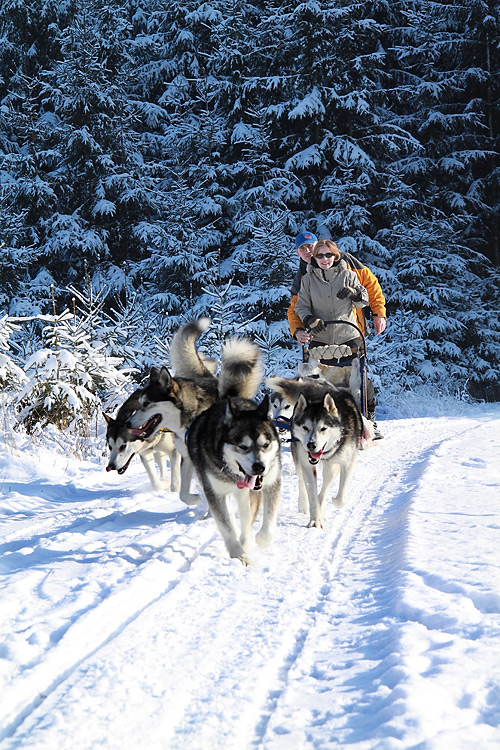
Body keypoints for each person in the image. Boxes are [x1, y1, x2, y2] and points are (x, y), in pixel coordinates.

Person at [294, 238, 383, 437]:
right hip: (320, 335)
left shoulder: (349, 274)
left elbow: (364, 300)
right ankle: (315, 422)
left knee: (358, 377)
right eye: (320, 255)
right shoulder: (307, 280)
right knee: (314, 379)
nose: (324, 259)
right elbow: (299, 306)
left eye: (328, 255)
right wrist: (309, 319)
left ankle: (368, 420)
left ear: (335, 256)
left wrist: (354, 293)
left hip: (348, 333)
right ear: (314, 258)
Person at [287, 231, 387, 346]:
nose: (308, 251)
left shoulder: (347, 262)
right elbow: (296, 308)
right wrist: (298, 329)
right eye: (302, 248)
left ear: (317, 245)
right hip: (321, 338)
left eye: (310, 246)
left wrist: (379, 313)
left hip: (353, 332)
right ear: (297, 253)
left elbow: (371, 285)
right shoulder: (303, 278)